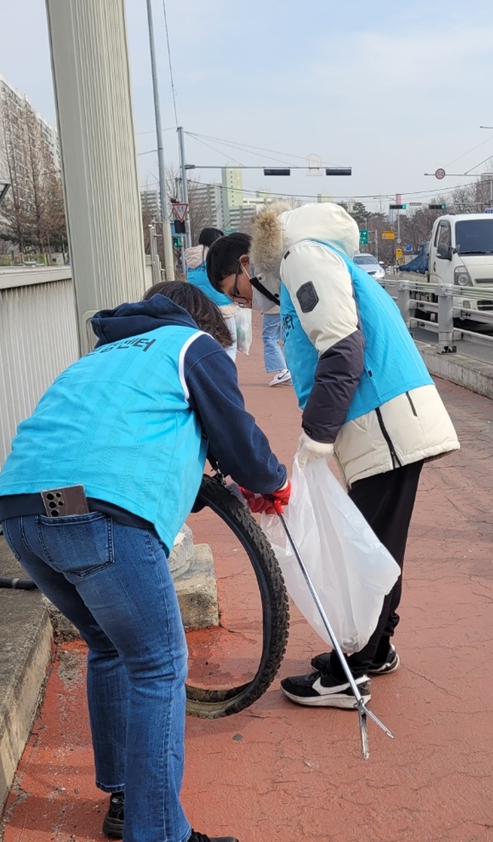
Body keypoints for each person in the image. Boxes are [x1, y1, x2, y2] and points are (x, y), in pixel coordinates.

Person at [0, 281, 290, 842]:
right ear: (204, 324)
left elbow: (122, 438)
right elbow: (241, 442)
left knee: (109, 647)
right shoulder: (193, 347)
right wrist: (271, 481)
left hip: (23, 513)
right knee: (158, 664)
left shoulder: (98, 357)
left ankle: (127, 801)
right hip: (100, 516)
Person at [210, 201, 460, 709]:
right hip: (388, 416)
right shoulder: (314, 255)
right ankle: (377, 647)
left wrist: (316, 440)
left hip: (382, 419)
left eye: (235, 293)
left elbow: (343, 349)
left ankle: (352, 673)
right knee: (377, 545)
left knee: (365, 550)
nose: (247, 303)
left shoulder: (301, 259)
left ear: (245, 267)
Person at [184, 226, 250, 361]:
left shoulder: (191, 260)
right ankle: (227, 374)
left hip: (200, 310)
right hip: (223, 307)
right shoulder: (218, 258)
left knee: (209, 346)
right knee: (230, 345)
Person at [253, 263, 291, 386]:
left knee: (269, 338)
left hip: (273, 304)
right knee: (284, 337)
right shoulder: (283, 261)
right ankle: (289, 371)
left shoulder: (265, 263)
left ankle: (283, 370)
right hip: (285, 302)